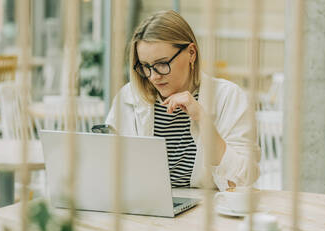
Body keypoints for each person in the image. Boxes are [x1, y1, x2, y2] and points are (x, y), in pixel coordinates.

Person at [105, 10, 260, 191]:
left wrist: (202, 119)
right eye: (146, 67)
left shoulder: (229, 96)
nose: (153, 77)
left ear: (191, 53)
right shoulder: (128, 98)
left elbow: (243, 179)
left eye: (162, 64)